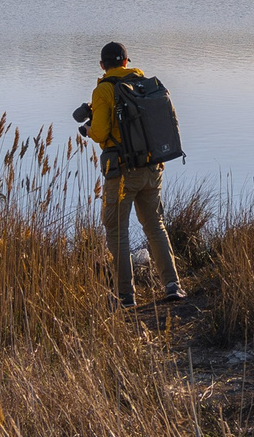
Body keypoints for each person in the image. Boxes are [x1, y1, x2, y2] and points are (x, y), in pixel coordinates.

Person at [76, 41, 184, 306]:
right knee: (155, 226)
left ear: (103, 65)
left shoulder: (103, 90)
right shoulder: (144, 83)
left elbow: (100, 133)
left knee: (116, 232)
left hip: (122, 173)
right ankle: (172, 285)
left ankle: (125, 296)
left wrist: (88, 130)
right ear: (126, 61)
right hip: (152, 167)